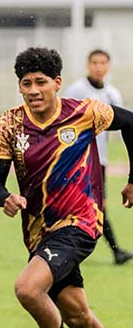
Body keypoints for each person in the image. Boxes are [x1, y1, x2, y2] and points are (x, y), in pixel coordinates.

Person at [0, 47, 133, 328]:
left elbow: (131, 122)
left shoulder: (85, 113)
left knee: (27, 288)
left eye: (40, 82)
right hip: (40, 232)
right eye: (26, 83)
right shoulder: (8, 126)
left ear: (57, 83)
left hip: (81, 222)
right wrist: (5, 198)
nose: (33, 90)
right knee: (78, 315)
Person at [63, 49, 133, 265]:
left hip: (99, 160)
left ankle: (108, 252)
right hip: (76, 159)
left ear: (108, 66)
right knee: (89, 206)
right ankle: (115, 252)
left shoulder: (113, 94)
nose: (98, 66)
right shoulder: (76, 90)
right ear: (88, 64)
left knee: (97, 206)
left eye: (103, 62)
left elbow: (122, 126)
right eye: (94, 62)